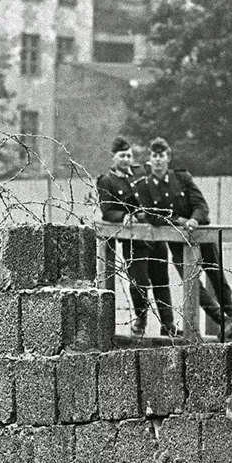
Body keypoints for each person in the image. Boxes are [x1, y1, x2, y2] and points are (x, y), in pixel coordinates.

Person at [143, 137, 232, 340]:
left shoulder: (182, 178)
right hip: (178, 244)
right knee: (193, 284)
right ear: (149, 159)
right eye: (154, 156)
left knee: (216, 276)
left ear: (168, 158)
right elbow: (152, 216)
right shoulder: (146, 186)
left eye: (161, 156)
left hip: (200, 236)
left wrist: (194, 220)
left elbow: (201, 206)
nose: (158, 160)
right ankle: (223, 321)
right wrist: (178, 221)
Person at [96, 136, 177, 338]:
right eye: (122, 156)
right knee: (139, 282)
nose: (126, 160)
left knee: (161, 282)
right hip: (134, 240)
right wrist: (123, 216)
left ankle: (168, 324)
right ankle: (141, 320)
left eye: (129, 156)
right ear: (113, 157)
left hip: (155, 235)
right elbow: (107, 211)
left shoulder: (141, 172)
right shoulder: (107, 181)